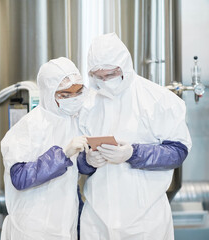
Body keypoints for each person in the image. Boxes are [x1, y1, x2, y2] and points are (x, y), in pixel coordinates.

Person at [77, 33, 192, 240]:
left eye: (110, 74)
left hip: (145, 220)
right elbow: (76, 158)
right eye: (98, 76)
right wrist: (87, 161)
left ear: (124, 66)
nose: (104, 81)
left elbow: (178, 152)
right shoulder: (87, 104)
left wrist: (133, 152)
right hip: (96, 217)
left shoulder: (157, 99)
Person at [0, 57, 96, 240]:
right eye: (65, 95)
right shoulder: (29, 126)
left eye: (78, 92)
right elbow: (20, 178)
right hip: (33, 228)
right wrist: (62, 154)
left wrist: (89, 161)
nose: (74, 99)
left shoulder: (74, 120)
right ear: (48, 93)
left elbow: (74, 170)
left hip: (65, 223)